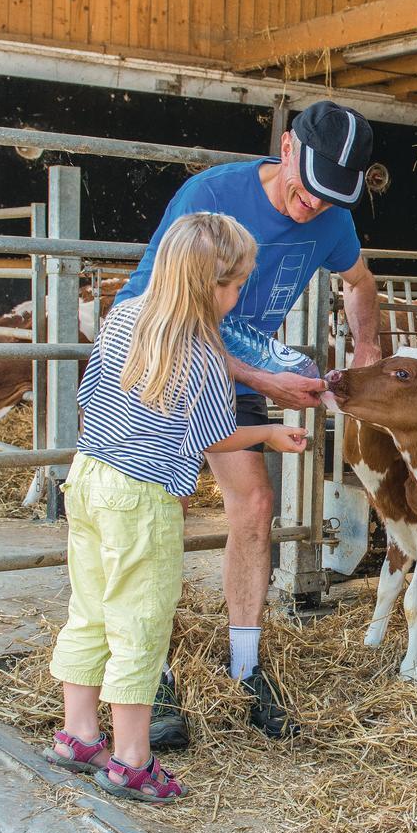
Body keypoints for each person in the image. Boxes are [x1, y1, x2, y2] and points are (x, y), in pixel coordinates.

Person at [112, 100, 382, 745]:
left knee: (256, 505)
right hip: (165, 360)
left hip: (242, 365)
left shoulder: (331, 217)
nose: (312, 207)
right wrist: (265, 379)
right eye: (306, 189)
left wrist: (367, 348)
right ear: (286, 148)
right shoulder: (211, 198)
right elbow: (164, 312)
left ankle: (244, 666)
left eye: (329, 198)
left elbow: (359, 281)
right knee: (160, 509)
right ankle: (150, 670)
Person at [44, 213, 308, 800]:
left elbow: (89, 393)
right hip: (141, 497)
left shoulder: (122, 317)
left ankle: (79, 735)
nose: (239, 296)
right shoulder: (203, 350)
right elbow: (214, 436)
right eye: (236, 284)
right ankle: (133, 760)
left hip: (88, 478)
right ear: (210, 285)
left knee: (89, 610)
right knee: (141, 621)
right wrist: (269, 435)